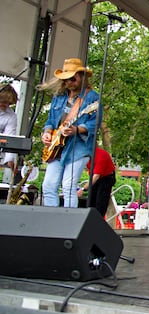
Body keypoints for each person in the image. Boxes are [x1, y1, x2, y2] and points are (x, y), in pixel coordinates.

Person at [39, 58, 101, 208]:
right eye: (66, 80)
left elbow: (95, 123)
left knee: (68, 187)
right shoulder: (59, 97)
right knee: (48, 186)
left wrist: (77, 129)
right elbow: (50, 121)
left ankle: (68, 224)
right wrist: (47, 133)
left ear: (82, 77)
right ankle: (52, 223)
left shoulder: (92, 98)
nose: (69, 83)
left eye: (72, 79)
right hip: (56, 148)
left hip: (77, 148)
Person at [77, 146, 116, 217]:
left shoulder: (101, 155)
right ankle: (89, 218)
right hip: (95, 175)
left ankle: (98, 219)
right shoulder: (85, 155)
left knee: (100, 201)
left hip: (106, 177)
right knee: (90, 200)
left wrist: (83, 189)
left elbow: (96, 176)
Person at [0, 83, 18, 184]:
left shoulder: (11, 116)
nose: (6, 105)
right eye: (3, 102)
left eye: (9, 103)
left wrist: (10, 159)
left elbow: (10, 137)